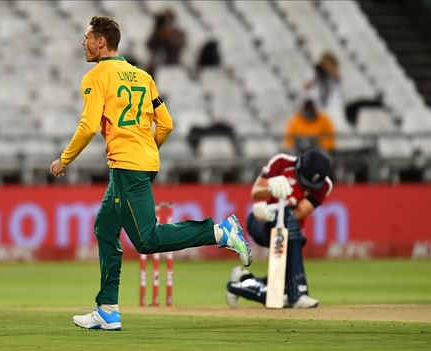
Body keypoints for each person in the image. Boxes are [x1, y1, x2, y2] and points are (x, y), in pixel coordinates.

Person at [49, 16, 252, 331]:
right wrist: (146, 148)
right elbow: (167, 123)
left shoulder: (96, 76)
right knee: (105, 229)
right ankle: (107, 310)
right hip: (140, 162)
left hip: (128, 166)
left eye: (87, 37)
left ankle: (220, 232)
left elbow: (88, 126)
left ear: (101, 42)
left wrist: (64, 160)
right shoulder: (142, 76)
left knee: (146, 239)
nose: (83, 42)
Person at [226, 148, 333, 309]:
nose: (306, 186)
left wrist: (279, 206)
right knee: (290, 227)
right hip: (260, 221)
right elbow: (255, 193)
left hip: (287, 232)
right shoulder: (281, 162)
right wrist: (269, 188)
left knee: (280, 289)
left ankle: (241, 282)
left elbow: (299, 212)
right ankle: (299, 293)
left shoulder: (325, 186)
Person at [146, 8, 186, 76]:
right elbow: (149, 45)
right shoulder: (156, 36)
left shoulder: (178, 34)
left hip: (172, 68)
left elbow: (179, 46)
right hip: (157, 69)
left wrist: (168, 39)